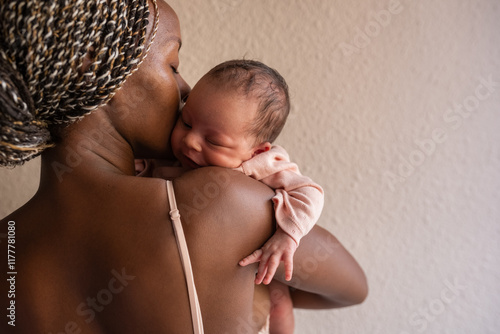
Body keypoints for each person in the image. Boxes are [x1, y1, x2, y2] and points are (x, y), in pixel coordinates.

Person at [0, 1, 368, 334]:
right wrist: (253, 297)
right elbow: (353, 288)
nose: (185, 87)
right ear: (98, 67)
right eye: (173, 65)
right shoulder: (223, 200)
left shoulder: (8, 244)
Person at [135, 59, 324, 333]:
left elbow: (310, 192)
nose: (190, 141)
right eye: (186, 122)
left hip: (256, 268)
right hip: (204, 270)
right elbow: (150, 172)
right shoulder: (176, 158)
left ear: (256, 152)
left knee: (280, 302)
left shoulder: (263, 164)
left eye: (213, 141)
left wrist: (288, 235)